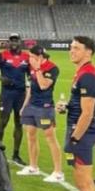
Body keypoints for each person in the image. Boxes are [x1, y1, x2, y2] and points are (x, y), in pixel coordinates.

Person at [58, 36, 95, 191]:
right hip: (80, 130)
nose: (71, 51)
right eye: (70, 47)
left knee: (84, 182)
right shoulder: (83, 73)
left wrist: (74, 138)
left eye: (76, 48)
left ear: (88, 52)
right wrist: (66, 108)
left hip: (81, 133)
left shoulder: (89, 75)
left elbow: (88, 112)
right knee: (82, 180)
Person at [16, 45, 64, 183]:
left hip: (45, 107)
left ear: (40, 57)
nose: (30, 59)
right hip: (31, 105)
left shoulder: (52, 68)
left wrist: (37, 68)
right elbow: (31, 87)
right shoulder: (32, 66)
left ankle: (58, 172)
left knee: (50, 138)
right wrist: (24, 106)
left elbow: (43, 85)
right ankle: (33, 167)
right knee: (30, 135)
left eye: (32, 56)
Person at [0, 33, 29, 165]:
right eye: (11, 40)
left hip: (21, 94)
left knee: (19, 123)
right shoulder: (1, 55)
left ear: (20, 42)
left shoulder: (27, 57)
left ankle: (16, 155)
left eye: (16, 40)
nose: (13, 42)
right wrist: (1, 78)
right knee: (3, 122)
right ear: (8, 42)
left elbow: (30, 74)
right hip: (6, 93)